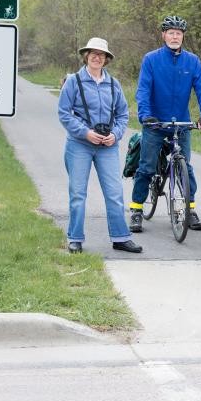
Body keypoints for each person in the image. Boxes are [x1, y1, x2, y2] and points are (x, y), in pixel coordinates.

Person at [58, 37, 142, 254]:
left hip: (108, 146)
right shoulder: (73, 81)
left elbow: (123, 114)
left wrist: (115, 134)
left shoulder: (114, 84)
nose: (97, 57)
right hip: (79, 144)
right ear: (86, 56)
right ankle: (75, 238)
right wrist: (85, 133)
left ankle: (120, 237)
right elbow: (64, 113)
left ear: (106, 59)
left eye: (101, 54)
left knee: (114, 192)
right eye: (93, 53)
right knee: (78, 193)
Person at [129, 16, 201, 233]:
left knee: (186, 165)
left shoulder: (193, 61)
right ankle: (137, 210)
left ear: (183, 36)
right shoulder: (151, 59)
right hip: (155, 123)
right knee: (147, 167)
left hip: (182, 123)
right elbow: (144, 90)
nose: (175, 36)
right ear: (164, 35)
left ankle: (190, 210)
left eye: (178, 33)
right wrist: (146, 115)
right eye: (171, 32)